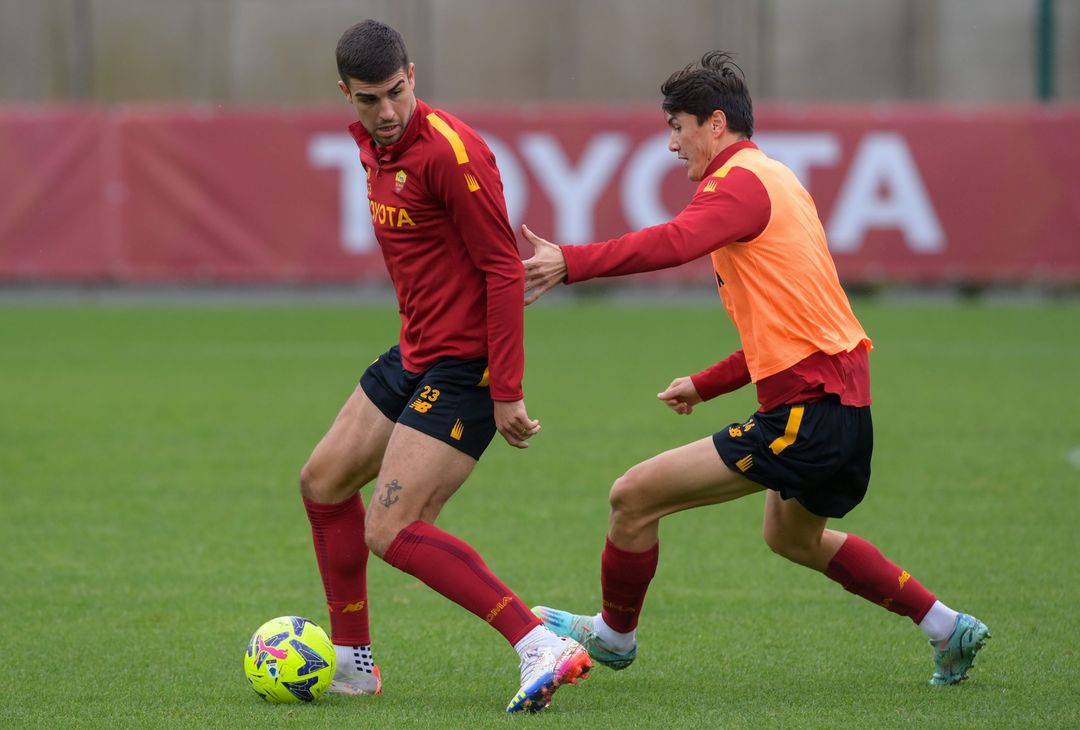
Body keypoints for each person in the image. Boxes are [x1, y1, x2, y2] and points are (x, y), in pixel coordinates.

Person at [522, 51, 989, 687]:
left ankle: (613, 637)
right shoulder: (778, 179)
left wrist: (570, 262)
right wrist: (706, 383)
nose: (671, 144)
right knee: (790, 538)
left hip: (809, 413)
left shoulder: (738, 183)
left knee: (631, 497)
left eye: (678, 126)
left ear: (716, 125)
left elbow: (675, 241)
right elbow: (789, 329)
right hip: (841, 407)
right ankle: (946, 625)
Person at [299, 19, 590, 713]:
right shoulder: (370, 145)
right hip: (415, 350)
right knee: (322, 482)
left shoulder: (454, 155)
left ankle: (536, 644)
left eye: (396, 93)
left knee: (390, 529)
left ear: (414, 76)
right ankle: (352, 663)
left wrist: (507, 390)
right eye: (369, 99)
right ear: (346, 95)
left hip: (467, 366)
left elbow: (501, 269)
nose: (387, 111)